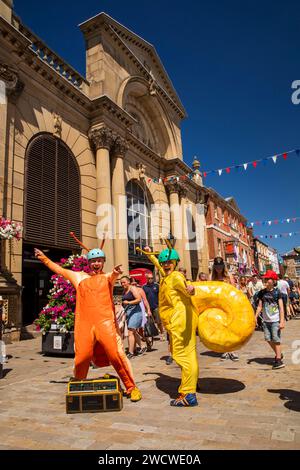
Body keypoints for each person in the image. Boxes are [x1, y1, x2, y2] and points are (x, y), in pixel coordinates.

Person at [34, 244, 142, 402]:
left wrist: (116, 273)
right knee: (82, 358)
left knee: (116, 355)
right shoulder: (78, 277)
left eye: (99, 261)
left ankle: (131, 387)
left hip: (106, 324)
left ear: (103, 262)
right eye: (93, 261)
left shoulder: (107, 278)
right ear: (89, 263)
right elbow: (59, 270)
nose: (96, 264)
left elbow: (112, 277)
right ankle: (78, 386)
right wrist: (43, 258)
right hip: (84, 325)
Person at [210, 257, 239, 362]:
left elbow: (234, 289)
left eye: (220, 267)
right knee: (222, 328)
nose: (219, 269)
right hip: (218, 305)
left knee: (231, 327)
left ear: (223, 266)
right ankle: (225, 350)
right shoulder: (212, 278)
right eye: (217, 267)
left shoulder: (228, 277)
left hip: (229, 304)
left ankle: (232, 350)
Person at [255, 270, 285, 369]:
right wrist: (255, 317)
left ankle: (279, 360)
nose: (266, 280)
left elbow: (281, 308)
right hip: (266, 321)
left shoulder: (277, 292)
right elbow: (260, 306)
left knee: (276, 340)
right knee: (268, 339)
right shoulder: (262, 292)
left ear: (273, 281)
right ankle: (279, 353)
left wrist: (282, 321)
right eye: (265, 279)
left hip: (275, 320)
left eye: (268, 279)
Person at [120, 276, 145, 359]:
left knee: (130, 331)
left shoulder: (132, 288)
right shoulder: (124, 290)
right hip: (128, 312)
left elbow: (139, 299)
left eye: (124, 282)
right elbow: (124, 302)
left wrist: (129, 302)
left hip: (136, 312)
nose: (122, 284)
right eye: (121, 282)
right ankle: (142, 345)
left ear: (128, 282)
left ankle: (131, 353)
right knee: (133, 331)